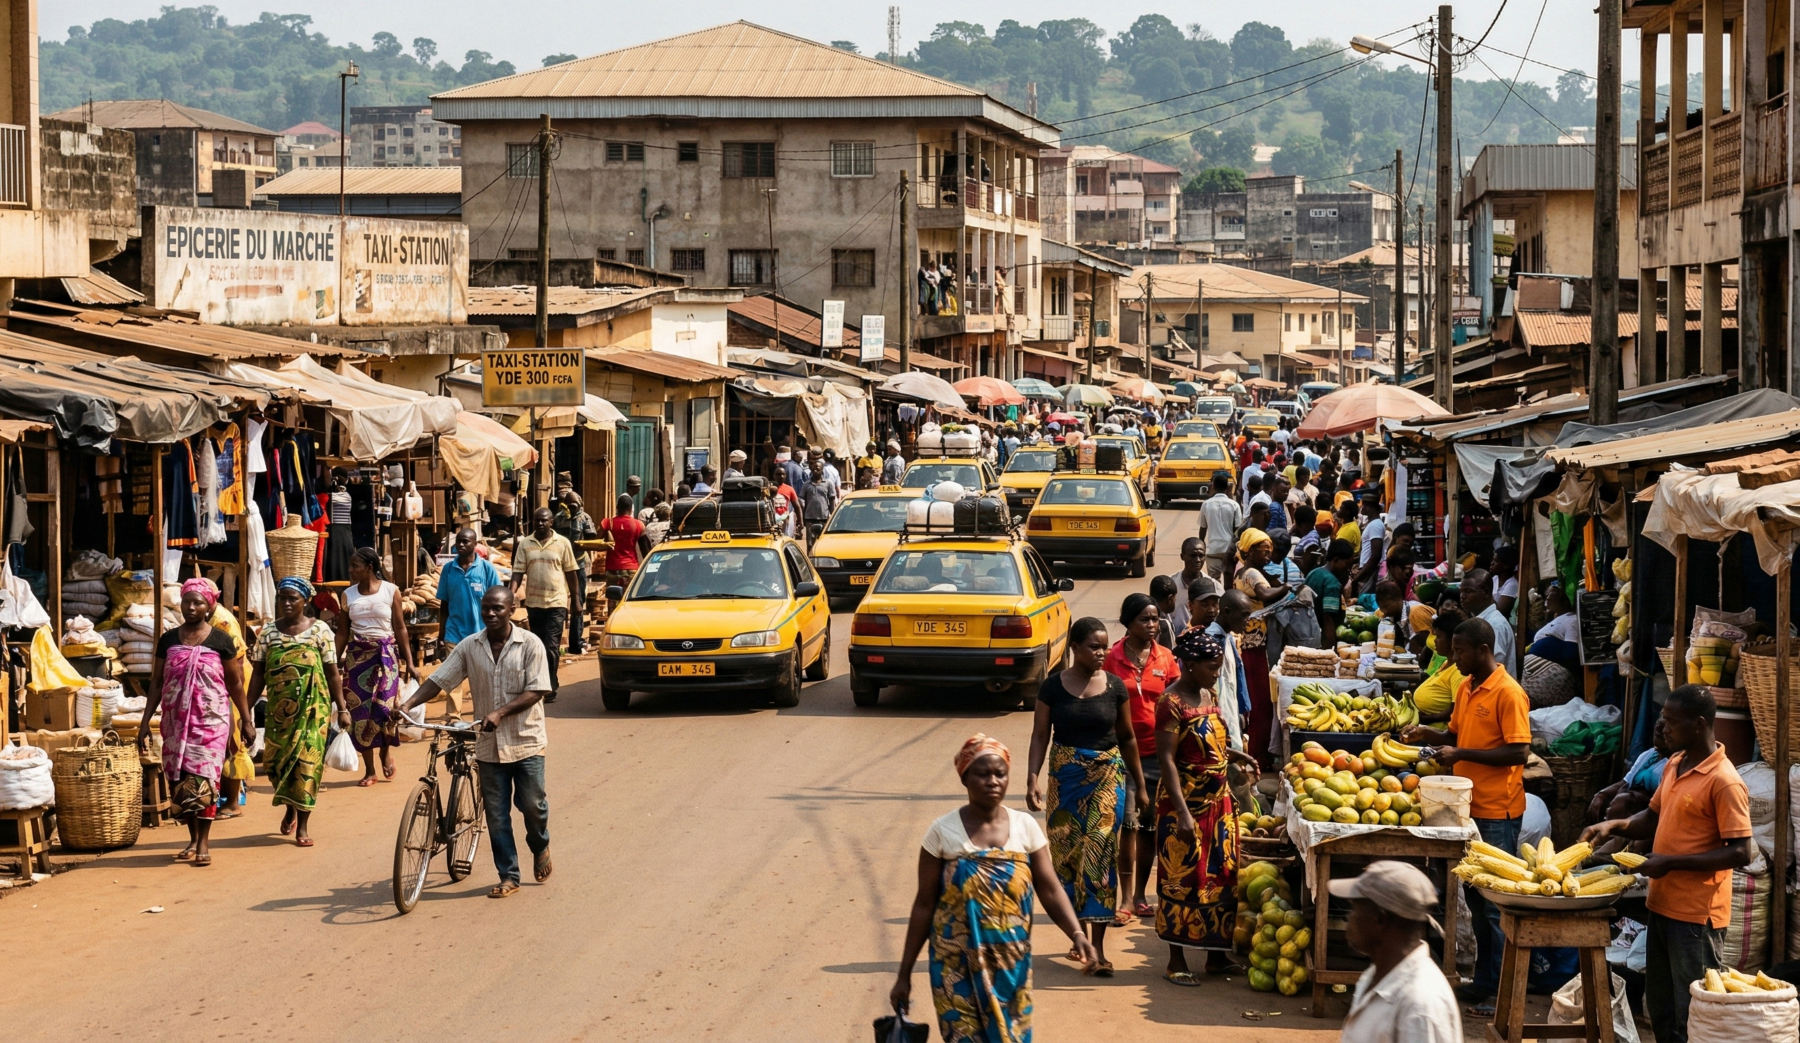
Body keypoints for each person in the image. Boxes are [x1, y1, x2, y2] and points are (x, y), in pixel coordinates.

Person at [891, 736, 1098, 1041]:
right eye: (982, 774)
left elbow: (1050, 888)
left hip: (1010, 965)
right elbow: (924, 905)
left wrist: (1077, 934)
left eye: (1000, 774)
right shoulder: (942, 832)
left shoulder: (1025, 827)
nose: (992, 781)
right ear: (964, 778)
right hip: (954, 967)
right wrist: (904, 975)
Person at [1583, 685, 1754, 1043]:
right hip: (1661, 905)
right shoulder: (1675, 763)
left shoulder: (1724, 781)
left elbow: (1741, 852)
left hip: (1696, 917)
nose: (1663, 728)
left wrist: (1670, 863)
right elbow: (1652, 817)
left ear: (1699, 724)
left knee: (1693, 1013)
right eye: (1663, 718)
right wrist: (1614, 825)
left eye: (1672, 721)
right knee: (1661, 1009)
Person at [1401, 618, 1530, 1016]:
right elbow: (1456, 736)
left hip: (1497, 812)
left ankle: (1501, 994)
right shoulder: (1467, 688)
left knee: (1495, 907)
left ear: (1482, 650)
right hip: (1467, 809)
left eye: (1459, 651)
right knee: (1476, 900)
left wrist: (1461, 755)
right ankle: (1484, 983)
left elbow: (1519, 752)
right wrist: (1429, 735)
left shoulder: (1509, 693)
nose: (1453, 657)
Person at [403, 585, 554, 899]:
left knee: (533, 806)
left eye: (498, 608)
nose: (491, 614)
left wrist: (500, 712)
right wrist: (409, 704)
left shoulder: (530, 644)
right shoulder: (470, 646)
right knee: (496, 815)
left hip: (526, 740)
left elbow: (538, 690)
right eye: (486, 608)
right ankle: (509, 875)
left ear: (512, 610)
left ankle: (540, 844)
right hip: (488, 745)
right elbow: (439, 679)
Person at [1024, 616, 1149, 976]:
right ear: (1075, 647)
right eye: (1094, 646)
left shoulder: (1115, 687)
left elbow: (1127, 738)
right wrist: (1032, 778)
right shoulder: (1052, 687)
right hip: (1065, 782)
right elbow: (1040, 735)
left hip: (1107, 779)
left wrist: (1141, 786)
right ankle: (1078, 938)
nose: (1101, 653)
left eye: (1105, 646)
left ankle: (1098, 949)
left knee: (1099, 855)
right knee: (1067, 859)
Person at [1157, 628, 1261, 985]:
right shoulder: (1171, 703)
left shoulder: (1208, 693)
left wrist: (1236, 755)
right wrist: (1182, 813)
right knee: (1183, 879)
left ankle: (1216, 956)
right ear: (1190, 665)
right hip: (1186, 805)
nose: (1217, 673)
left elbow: (1209, 741)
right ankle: (1176, 960)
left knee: (1222, 875)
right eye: (1212, 667)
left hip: (1220, 804)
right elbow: (1167, 759)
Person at [137, 578, 250, 867]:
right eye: (186, 601)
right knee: (181, 781)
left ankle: (203, 842)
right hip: (174, 722)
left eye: (197, 602)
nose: (190, 607)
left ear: (209, 607)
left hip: (211, 723)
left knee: (206, 779)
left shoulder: (221, 641)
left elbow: (235, 684)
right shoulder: (168, 640)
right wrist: (144, 721)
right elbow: (156, 683)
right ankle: (191, 838)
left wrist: (246, 720)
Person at [247, 576, 346, 847]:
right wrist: (246, 712)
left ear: (306, 601)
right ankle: (290, 807)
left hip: (313, 712)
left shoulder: (320, 630)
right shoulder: (268, 632)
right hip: (279, 714)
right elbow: (258, 674)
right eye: (282, 598)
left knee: (307, 766)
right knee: (275, 766)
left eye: (293, 598)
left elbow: (332, 673)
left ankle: (302, 825)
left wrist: (342, 708)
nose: (287, 603)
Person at [1104, 594, 1181, 924]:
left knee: (1150, 827)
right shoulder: (1112, 658)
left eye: (1155, 619)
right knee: (1128, 826)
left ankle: (1140, 896)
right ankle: (1124, 898)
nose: (1151, 625)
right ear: (1128, 623)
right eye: (1144, 619)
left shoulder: (1166, 657)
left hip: (1158, 756)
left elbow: (1178, 700)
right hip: (1122, 756)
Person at [1334, 861, 1463, 1043]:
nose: (1350, 917)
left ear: (1380, 920)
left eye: (1355, 908)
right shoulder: (1376, 976)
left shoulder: (1420, 1006)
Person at [336, 546, 414, 785]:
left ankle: (385, 751)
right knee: (360, 714)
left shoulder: (391, 591)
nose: (350, 570)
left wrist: (410, 662)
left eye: (355, 566)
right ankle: (369, 770)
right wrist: (332, 661)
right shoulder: (347, 595)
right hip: (357, 659)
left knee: (385, 710)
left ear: (369, 567)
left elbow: (400, 628)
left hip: (386, 658)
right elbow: (342, 632)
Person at [1233, 529, 1290, 768]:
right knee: (1260, 702)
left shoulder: (1243, 570)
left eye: (1270, 552)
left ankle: (1255, 752)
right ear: (1250, 551)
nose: (1268, 556)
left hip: (1249, 643)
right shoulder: (1252, 573)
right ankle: (1259, 756)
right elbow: (1265, 593)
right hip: (1254, 645)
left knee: (1254, 701)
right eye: (1264, 551)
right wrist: (1287, 588)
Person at [512, 506, 580, 702]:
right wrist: (511, 594)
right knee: (538, 646)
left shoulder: (563, 543)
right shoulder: (525, 544)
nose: (540, 523)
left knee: (551, 646)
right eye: (537, 520)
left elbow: (571, 573)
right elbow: (517, 572)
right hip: (534, 603)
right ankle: (542, 681)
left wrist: (576, 600)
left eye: (544, 520)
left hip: (556, 602)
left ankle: (549, 686)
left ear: (551, 522)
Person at [435, 527, 501, 722]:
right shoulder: (448, 569)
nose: (461, 545)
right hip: (454, 631)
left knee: (481, 676)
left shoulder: (486, 569)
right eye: (459, 541)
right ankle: (453, 717)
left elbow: (499, 599)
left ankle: (483, 713)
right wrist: (441, 632)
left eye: (465, 541)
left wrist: (496, 631)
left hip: (481, 632)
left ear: (475, 544)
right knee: (453, 675)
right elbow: (444, 603)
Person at [551, 487, 604, 655]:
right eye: (569, 504)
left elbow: (591, 537)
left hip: (578, 564)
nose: (572, 508)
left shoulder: (584, 518)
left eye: (575, 504)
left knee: (578, 602)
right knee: (558, 601)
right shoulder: (558, 518)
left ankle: (576, 641)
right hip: (560, 565)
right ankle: (556, 641)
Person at [1411, 607, 1465, 722]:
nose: (1435, 640)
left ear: (1453, 640)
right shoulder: (1446, 662)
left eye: (1439, 637)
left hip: (1437, 729)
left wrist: (1426, 719)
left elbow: (1456, 711)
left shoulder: (1459, 672)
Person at [1460, 568, 1516, 678]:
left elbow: (1492, 667)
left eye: (1468, 591)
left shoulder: (1494, 624)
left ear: (1486, 592)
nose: (1462, 596)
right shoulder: (1481, 621)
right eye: (1461, 591)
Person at [600, 494, 647, 608]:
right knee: (629, 602)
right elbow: (645, 549)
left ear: (617, 507)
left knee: (612, 601)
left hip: (612, 568)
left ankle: (612, 618)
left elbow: (597, 540)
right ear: (631, 509)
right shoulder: (639, 525)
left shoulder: (607, 523)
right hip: (631, 568)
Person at [1199, 473, 1242, 583]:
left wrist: (1202, 545)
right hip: (1229, 549)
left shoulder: (1206, 504)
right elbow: (1237, 529)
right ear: (1227, 487)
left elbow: (1203, 528)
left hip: (1212, 549)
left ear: (1213, 486)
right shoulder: (1234, 505)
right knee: (1229, 580)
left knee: (1214, 582)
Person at [1164, 537, 1207, 635]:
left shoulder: (1214, 587)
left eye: (1201, 556)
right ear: (1182, 556)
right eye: (1193, 556)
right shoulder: (1170, 584)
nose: (1198, 560)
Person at [1148, 575, 1179, 650]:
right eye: (1175, 597)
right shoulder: (1164, 623)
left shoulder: (1139, 616)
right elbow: (1169, 653)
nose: (1175, 600)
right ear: (1170, 598)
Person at [1491, 544, 1521, 619]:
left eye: (1496, 561)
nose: (1492, 563)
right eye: (1493, 560)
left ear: (1506, 566)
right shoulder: (1495, 579)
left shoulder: (1512, 584)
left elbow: (1500, 611)